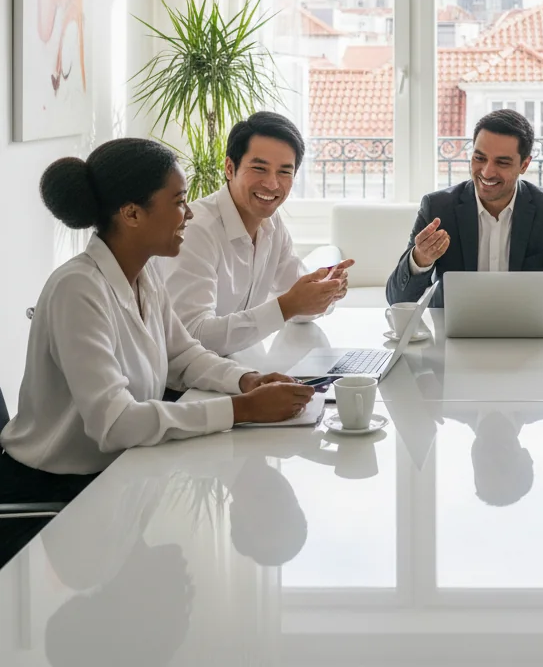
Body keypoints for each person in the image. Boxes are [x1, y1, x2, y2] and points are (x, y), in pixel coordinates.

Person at [0, 138, 315, 567]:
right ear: (131, 214)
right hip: (55, 493)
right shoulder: (79, 289)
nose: (188, 214)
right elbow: (114, 423)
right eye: (179, 202)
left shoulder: (142, 275)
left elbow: (183, 356)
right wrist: (242, 409)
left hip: (115, 476)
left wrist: (247, 381)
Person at [161, 111, 353, 355]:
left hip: (237, 366)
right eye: (259, 168)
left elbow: (299, 305)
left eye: (284, 172)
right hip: (182, 386)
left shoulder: (271, 224)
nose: (272, 184)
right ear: (229, 168)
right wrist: (287, 306)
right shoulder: (196, 229)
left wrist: (327, 291)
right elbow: (191, 337)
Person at [385, 109, 543, 318]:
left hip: (525, 333)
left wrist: (527, 308)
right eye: (479, 158)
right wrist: (420, 259)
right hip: (452, 337)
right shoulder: (438, 207)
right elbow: (398, 300)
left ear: (524, 165)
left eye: (502, 162)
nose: (486, 172)